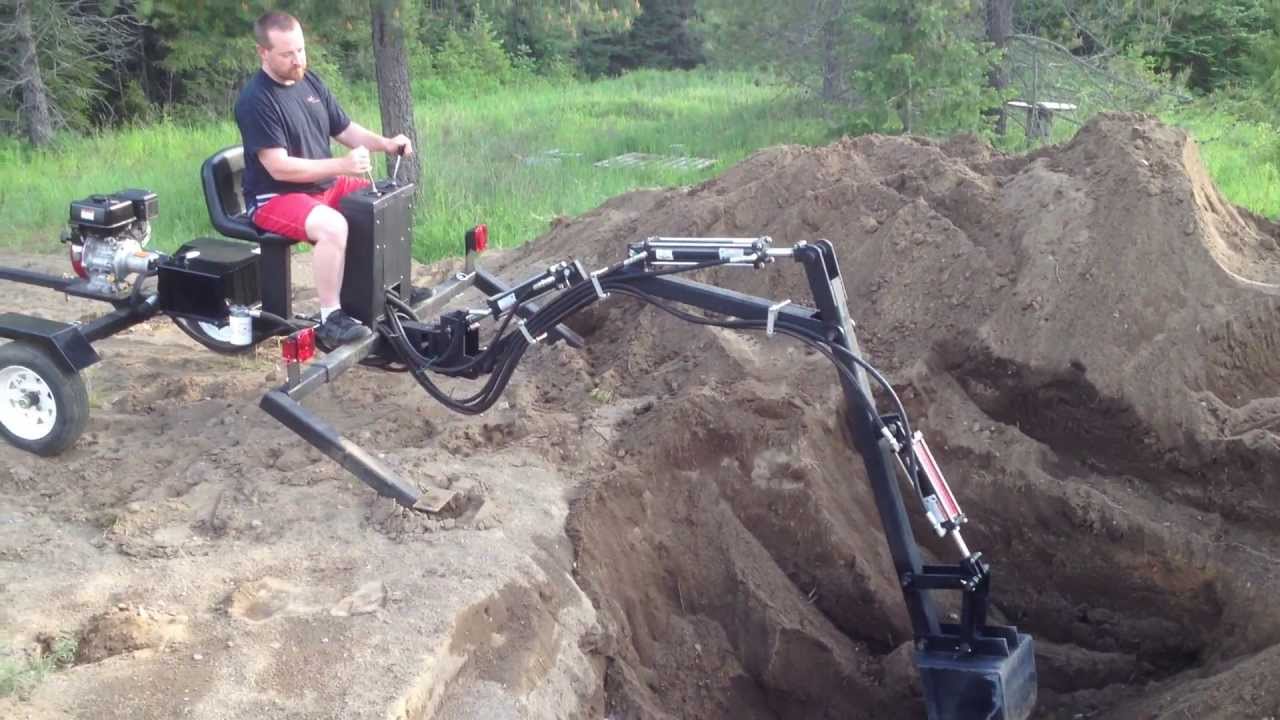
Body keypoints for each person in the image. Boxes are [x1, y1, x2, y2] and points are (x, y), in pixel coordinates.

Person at [234, 11, 413, 348]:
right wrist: (341, 166)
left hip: (322, 187)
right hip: (275, 197)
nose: (297, 60)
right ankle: (331, 319)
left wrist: (387, 143)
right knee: (333, 227)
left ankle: (391, 290)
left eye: (300, 50)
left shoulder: (310, 82)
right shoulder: (255, 100)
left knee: (386, 201)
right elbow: (279, 168)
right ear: (263, 53)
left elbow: (345, 129)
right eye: (287, 54)